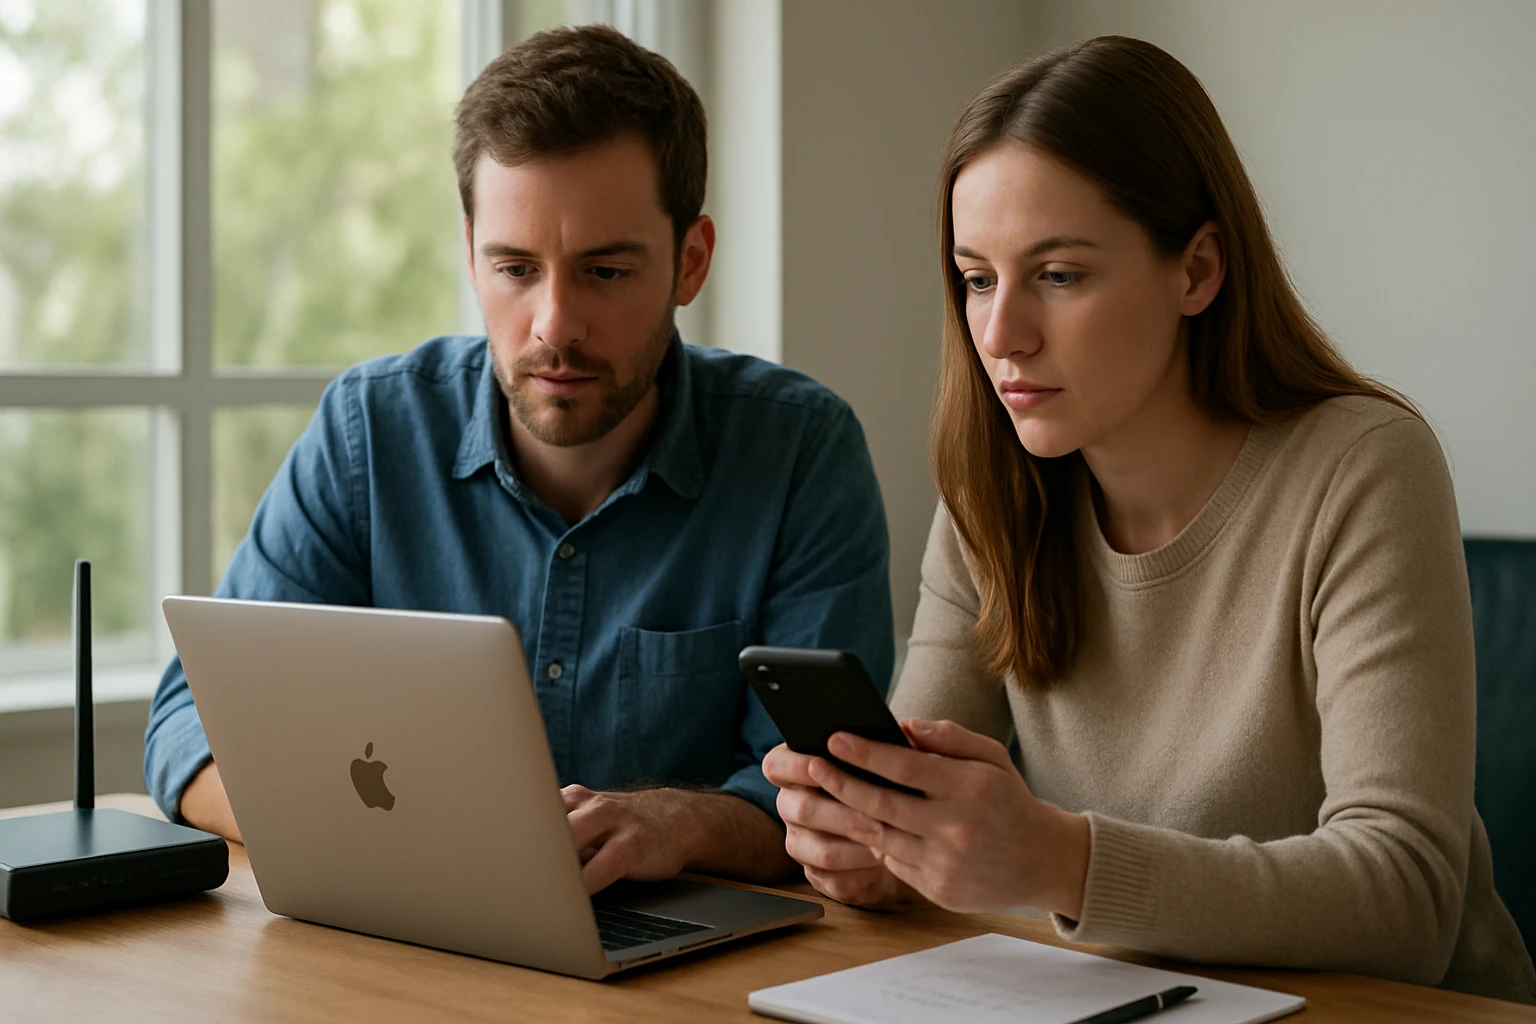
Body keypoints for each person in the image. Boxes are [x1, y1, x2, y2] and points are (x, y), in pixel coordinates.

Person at [764, 35, 1536, 1003]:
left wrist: (1062, 861)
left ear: (1199, 270)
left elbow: (1410, 900)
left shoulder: (1362, 466)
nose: (1001, 336)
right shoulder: (995, 488)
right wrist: (876, 849)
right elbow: (936, 820)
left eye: (1059, 274)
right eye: (977, 277)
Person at [145, 24, 893, 896]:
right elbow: (185, 729)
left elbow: (832, 799)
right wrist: (408, 837)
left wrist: (676, 822)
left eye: (605, 272)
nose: (554, 326)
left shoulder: (800, 450)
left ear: (690, 263)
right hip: (413, 928)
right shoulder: (370, 431)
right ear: (469, 254)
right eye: (514, 268)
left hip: (676, 960)